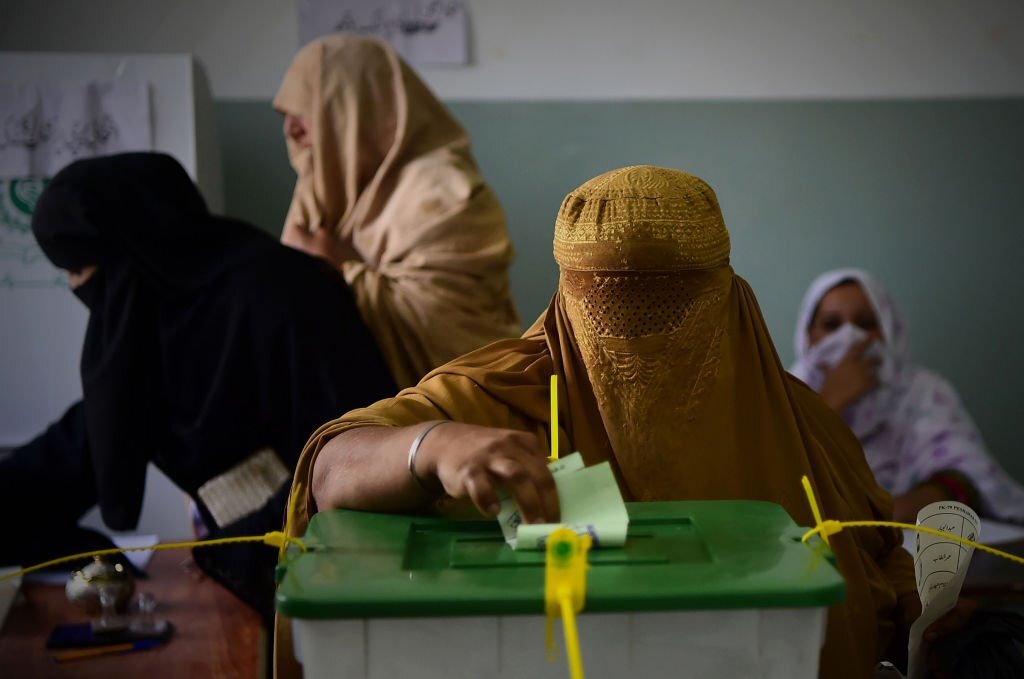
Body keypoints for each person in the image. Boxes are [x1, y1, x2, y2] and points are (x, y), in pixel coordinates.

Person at [278, 166, 925, 678]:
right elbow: (334, 466)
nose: (639, 343)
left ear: (726, 288)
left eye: (672, 305)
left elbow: (882, 572)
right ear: (565, 296)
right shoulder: (501, 397)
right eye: (609, 306)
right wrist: (434, 445)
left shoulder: (803, 424)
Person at [0, 152, 397, 622]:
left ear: (130, 254)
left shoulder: (289, 295)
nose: (76, 286)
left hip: (341, 585)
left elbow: (358, 456)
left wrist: (228, 554)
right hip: (244, 585)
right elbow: (77, 451)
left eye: (78, 269)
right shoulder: (153, 329)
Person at [273, 34, 521, 389]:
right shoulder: (324, 184)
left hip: (465, 413)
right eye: (285, 115)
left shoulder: (447, 192)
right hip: (359, 411)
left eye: (304, 112)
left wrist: (336, 269)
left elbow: (450, 332)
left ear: (355, 106)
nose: (290, 130)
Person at [790, 269, 1024, 524]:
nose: (849, 336)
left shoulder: (924, 393)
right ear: (809, 335)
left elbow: (968, 476)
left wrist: (902, 508)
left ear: (888, 330)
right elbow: (774, 479)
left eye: (866, 322)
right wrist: (827, 404)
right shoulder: (786, 393)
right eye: (832, 325)